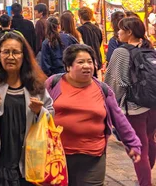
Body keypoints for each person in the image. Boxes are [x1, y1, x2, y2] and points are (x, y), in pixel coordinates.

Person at [46, 44, 141, 186]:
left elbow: (119, 118)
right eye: (80, 62)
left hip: (93, 156)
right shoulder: (53, 84)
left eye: (90, 62)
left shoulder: (103, 89)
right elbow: (39, 111)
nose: (87, 66)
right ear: (68, 66)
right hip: (57, 155)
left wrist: (132, 143)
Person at [0, 32, 54, 185]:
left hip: (28, 157)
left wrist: (39, 112)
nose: (10, 57)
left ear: (23, 55)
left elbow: (50, 111)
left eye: (16, 52)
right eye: (6, 52)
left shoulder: (35, 82)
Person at [105, 17, 156, 186]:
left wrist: (113, 103)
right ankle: (146, 175)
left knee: (137, 147)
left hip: (134, 108)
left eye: (120, 30)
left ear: (129, 32)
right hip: (152, 104)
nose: (118, 33)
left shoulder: (121, 52)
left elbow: (114, 83)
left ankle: (145, 182)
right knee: (149, 140)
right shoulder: (149, 49)